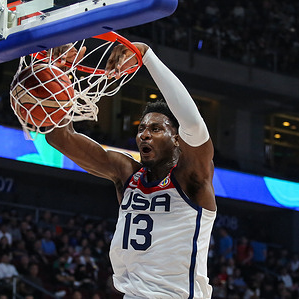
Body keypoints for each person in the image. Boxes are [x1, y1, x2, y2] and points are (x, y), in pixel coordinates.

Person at [44, 41, 216, 298]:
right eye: (141, 129)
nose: (144, 135)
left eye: (156, 129)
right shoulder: (126, 173)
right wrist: (56, 73)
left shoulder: (192, 179)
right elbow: (60, 137)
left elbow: (193, 124)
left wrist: (148, 57)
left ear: (177, 139)